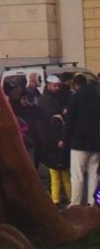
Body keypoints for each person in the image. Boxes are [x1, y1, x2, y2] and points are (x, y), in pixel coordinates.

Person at [64, 73, 100, 205]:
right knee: (93, 174)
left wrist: (64, 138)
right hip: (96, 142)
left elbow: (69, 121)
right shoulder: (97, 97)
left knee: (77, 175)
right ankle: (93, 203)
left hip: (78, 142)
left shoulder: (75, 97)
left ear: (75, 84)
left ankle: (76, 204)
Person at [38, 75, 71, 208]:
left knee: (57, 173)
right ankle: (64, 198)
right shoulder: (48, 100)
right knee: (60, 173)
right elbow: (55, 119)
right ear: (48, 85)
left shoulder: (48, 98)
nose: (57, 88)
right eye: (55, 85)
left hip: (51, 141)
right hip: (53, 141)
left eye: (58, 86)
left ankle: (57, 199)